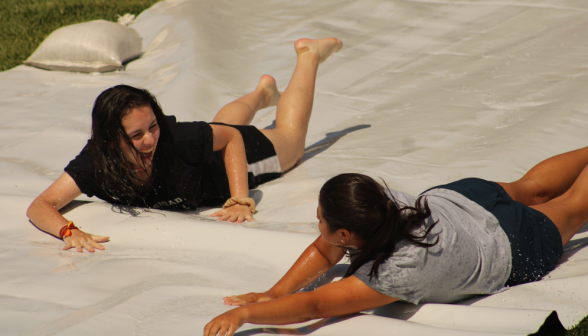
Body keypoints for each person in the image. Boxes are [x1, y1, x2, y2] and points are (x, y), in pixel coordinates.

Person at [203, 146, 588, 336]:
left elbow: (316, 303)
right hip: (465, 199)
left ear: (346, 233)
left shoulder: (395, 274)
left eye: (320, 217)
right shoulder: (379, 205)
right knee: (531, 187)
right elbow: (326, 246)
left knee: (571, 207)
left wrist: (245, 315)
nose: (315, 220)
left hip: (508, 243)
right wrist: (273, 292)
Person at [26, 38, 344, 253]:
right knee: (215, 130)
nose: (150, 139)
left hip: (239, 159)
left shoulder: (177, 138)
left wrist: (240, 198)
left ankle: (309, 56)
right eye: (137, 136)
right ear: (111, 141)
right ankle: (261, 94)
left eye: (153, 126)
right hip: (209, 145)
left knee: (292, 141)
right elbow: (41, 205)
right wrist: (69, 231)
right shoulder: (95, 162)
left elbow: (231, 138)